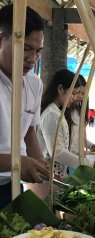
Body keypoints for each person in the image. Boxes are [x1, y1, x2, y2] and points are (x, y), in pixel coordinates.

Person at [0, 5, 49, 209]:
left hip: (12, 184)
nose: (32, 59)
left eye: (38, 51)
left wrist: (40, 163)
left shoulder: (34, 83)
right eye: (26, 48)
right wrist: (18, 162)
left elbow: (29, 133)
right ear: (1, 40)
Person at [37, 69, 95, 181]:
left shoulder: (57, 112)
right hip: (46, 174)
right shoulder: (51, 114)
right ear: (60, 89)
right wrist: (90, 163)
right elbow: (57, 152)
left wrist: (86, 155)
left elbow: (66, 147)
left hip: (55, 174)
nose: (75, 98)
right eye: (73, 93)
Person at [66, 74, 95, 155]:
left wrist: (93, 147)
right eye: (77, 92)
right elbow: (64, 147)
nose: (79, 96)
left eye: (83, 93)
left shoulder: (78, 112)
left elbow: (81, 139)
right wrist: (86, 153)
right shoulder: (63, 113)